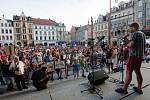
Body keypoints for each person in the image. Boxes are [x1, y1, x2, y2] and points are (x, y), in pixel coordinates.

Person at [115, 23, 146, 94]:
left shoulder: (135, 33)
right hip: (139, 56)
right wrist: (126, 39)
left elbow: (131, 45)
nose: (129, 29)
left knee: (128, 72)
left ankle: (124, 89)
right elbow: (134, 43)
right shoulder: (142, 34)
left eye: (130, 28)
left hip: (134, 56)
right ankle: (139, 88)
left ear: (134, 27)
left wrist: (125, 46)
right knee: (138, 72)